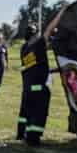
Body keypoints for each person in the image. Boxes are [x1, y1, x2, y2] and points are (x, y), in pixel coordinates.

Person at [17, 10, 64, 145]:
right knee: (38, 113)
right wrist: (62, 10)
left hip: (27, 87)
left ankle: (21, 134)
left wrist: (55, 70)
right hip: (39, 87)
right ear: (36, 34)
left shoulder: (24, 48)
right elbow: (50, 28)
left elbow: (35, 66)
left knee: (26, 111)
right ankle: (33, 139)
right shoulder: (38, 44)